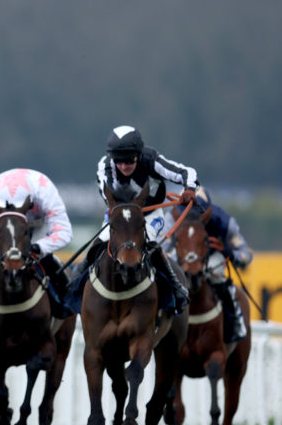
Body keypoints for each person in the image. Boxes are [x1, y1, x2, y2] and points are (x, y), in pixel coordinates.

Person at [69, 125, 199, 314]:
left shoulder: (151, 159)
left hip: (149, 214)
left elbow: (186, 172)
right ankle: (76, 280)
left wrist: (189, 189)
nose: (123, 166)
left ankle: (175, 286)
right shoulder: (105, 165)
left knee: (151, 242)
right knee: (100, 240)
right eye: (119, 161)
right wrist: (121, 214)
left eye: (129, 161)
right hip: (120, 216)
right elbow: (108, 197)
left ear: (138, 154)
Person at [0, 168, 74, 317]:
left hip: (36, 230)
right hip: (6, 235)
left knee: (49, 259)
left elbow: (64, 232)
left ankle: (65, 306)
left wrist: (39, 247)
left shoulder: (44, 190)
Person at [162, 187, 251, 343]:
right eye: (186, 211)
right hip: (181, 257)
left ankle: (235, 319)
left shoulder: (222, 220)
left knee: (219, 276)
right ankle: (159, 319)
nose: (189, 217)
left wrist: (237, 257)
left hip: (211, 258)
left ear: (207, 212)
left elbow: (244, 251)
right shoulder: (172, 218)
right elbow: (162, 248)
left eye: (195, 213)